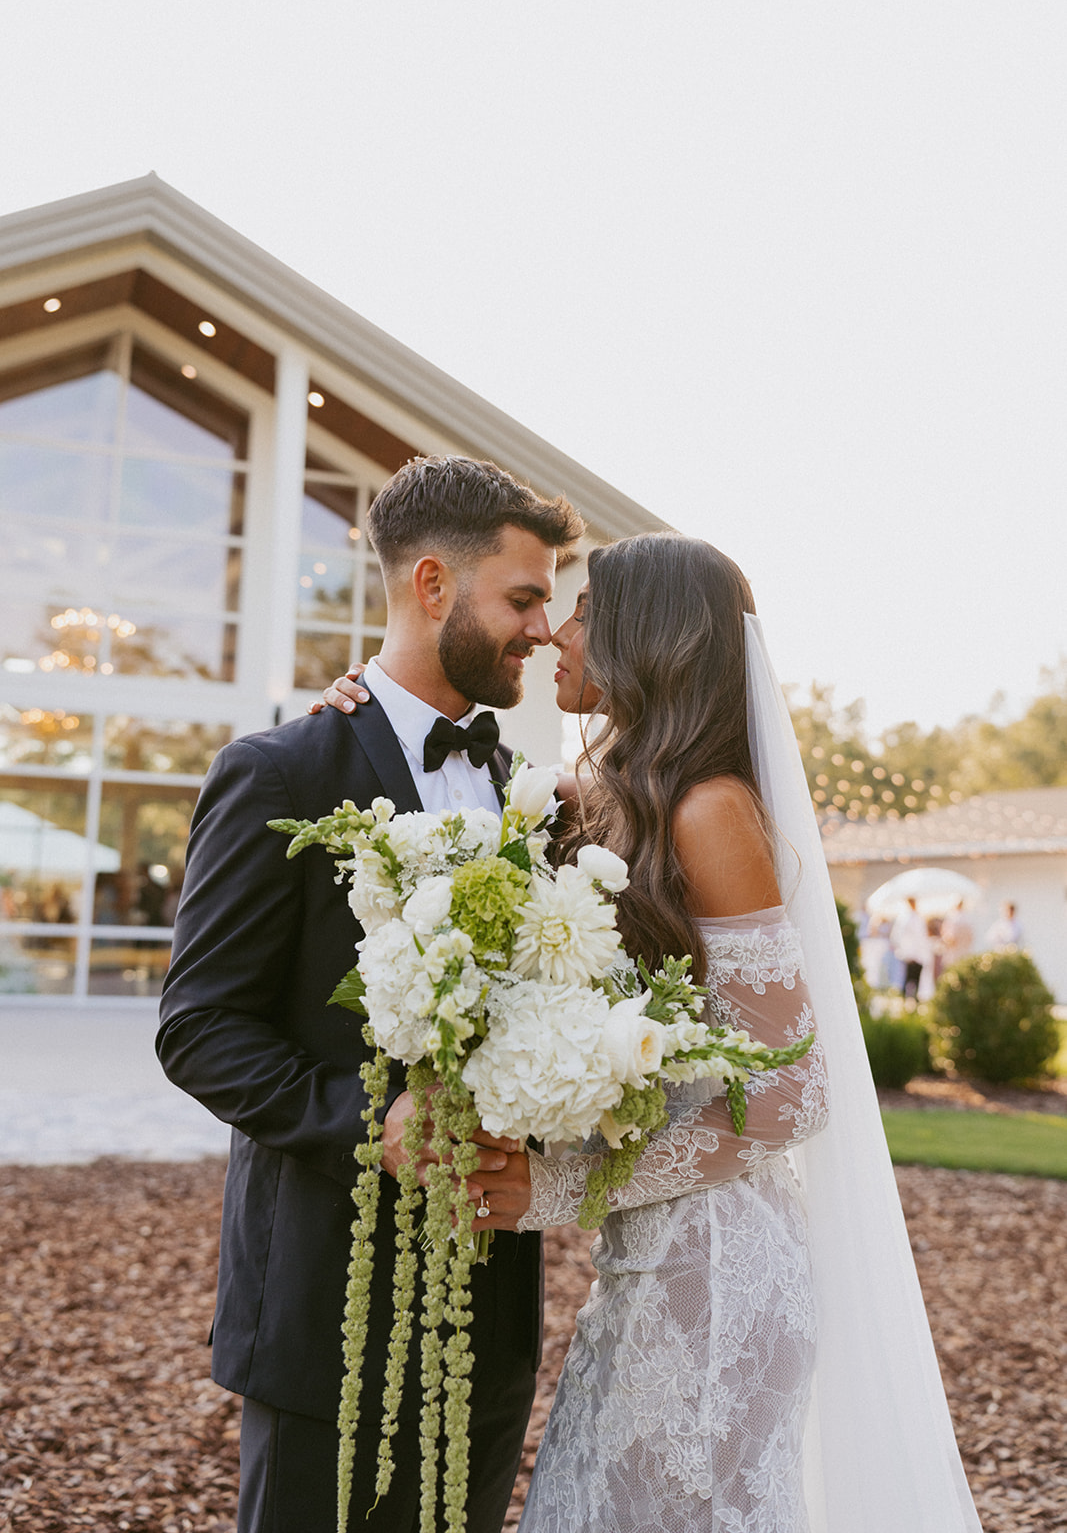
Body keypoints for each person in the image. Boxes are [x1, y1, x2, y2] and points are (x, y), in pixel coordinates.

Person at [320, 532, 982, 1532]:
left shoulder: (709, 812)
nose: (556, 633)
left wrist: (561, 1185)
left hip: (719, 1269)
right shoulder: (603, 801)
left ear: (649, 638)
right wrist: (356, 709)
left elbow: (789, 1093)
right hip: (644, 1257)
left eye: (583, 613)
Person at [156, 455, 584, 1533]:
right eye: (523, 597)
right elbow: (201, 1027)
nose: (541, 628)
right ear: (432, 584)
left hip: (489, 1318)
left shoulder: (525, 796)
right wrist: (371, 1119)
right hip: (323, 1312)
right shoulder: (280, 771)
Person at [890, 895, 929, 999]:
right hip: (908, 953)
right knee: (907, 976)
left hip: (917, 953)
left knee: (915, 976)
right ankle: (905, 996)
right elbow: (898, 936)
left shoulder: (917, 918)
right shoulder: (904, 918)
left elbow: (921, 936)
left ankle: (914, 997)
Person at [940, 897, 974, 966]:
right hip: (961, 950)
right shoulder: (967, 917)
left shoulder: (953, 917)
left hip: (956, 951)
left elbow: (949, 936)